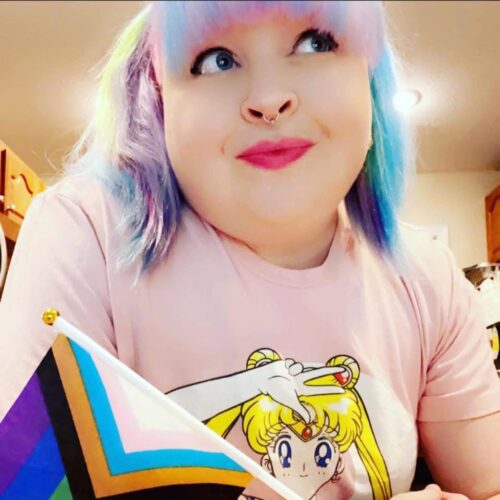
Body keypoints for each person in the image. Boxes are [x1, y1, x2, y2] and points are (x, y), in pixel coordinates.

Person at [1, 1, 499, 498]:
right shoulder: (86, 234)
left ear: (369, 79)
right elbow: (29, 487)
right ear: (159, 98)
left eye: (316, 43)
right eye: (217, 59)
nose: (269, 99)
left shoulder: (427, 276)